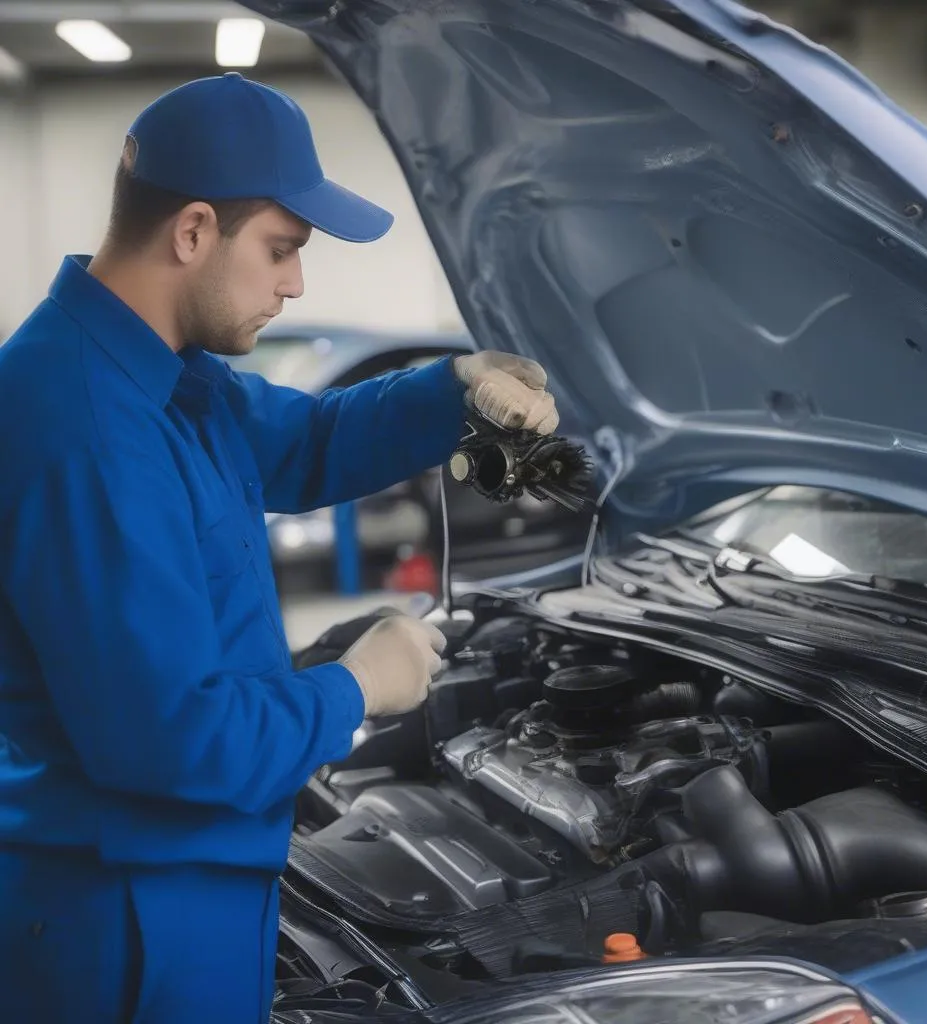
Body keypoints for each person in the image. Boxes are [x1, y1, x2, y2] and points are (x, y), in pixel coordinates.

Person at [0, 74, 560, 1024]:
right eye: (281, 250)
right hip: (131, 921)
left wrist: (455, 387)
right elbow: (170, 742)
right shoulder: (88, 428)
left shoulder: (168, 377)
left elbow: (304, 445)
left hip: (186, 879)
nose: (295, 283)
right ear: (192, 231)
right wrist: (357, 687)